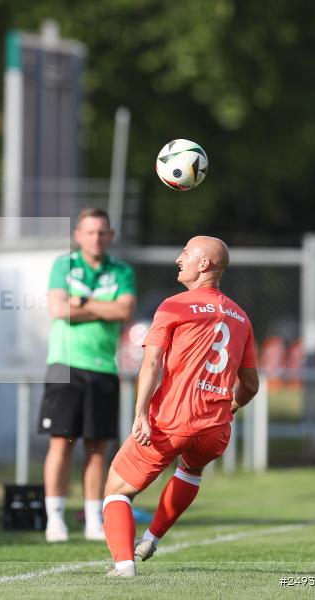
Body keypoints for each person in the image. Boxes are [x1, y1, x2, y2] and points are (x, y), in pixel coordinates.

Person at [102, 236, 259, 577]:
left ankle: (124, 564)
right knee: (191, 470)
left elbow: (152, 361)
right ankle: (153, 538)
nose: (178, 259)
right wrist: (230, 408)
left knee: (116, 489)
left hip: (172, 420)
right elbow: (251, 386)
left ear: (204, 265)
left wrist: (141, 413)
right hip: (215, 429)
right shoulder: (241, 317)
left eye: (186, 253)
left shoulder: (174, 305)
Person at [41, 207, 136, 542]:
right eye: (89, 232)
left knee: (97, 448)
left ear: (109, 236)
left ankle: (95, 519)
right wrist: (100, 307)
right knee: (61, 443)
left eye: (101, 232)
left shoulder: (121, 270)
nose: (96, 238)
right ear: (78, 235)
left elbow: (124, 310)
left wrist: (81, 302)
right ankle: (55, 518)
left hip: (104, 368)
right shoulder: (63, 265)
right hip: (65, 364)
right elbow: (58, 309)